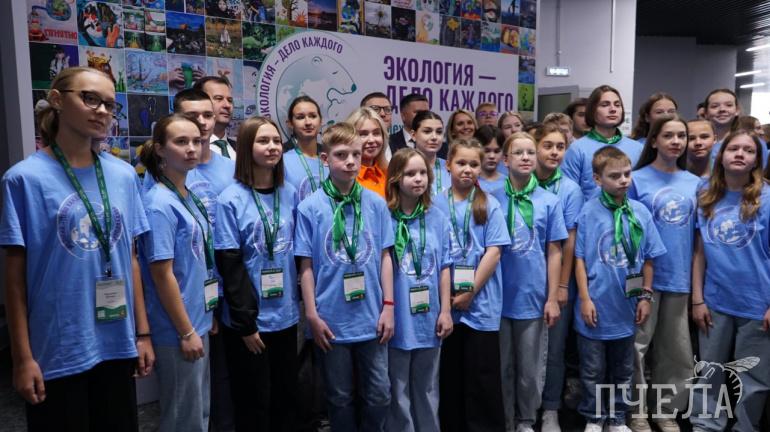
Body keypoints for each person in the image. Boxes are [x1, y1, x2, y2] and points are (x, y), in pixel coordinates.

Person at [1, 67, 150, 432]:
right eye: (90, 98)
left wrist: (143, 334)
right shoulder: (24, 179)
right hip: (59, 346)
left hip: (117, 341)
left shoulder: (123, 175)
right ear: (57, 100)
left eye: (110, 105)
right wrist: (21, 358)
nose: (102, 111)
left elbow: (130, 259)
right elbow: (15, 279)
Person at [295, 122, 395, 431]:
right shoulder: (310, 207)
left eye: (355, 154)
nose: (350, 161)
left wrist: (389, 306)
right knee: (339, 397)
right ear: (325, 159)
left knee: (379, 394)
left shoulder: (376, 203)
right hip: (330, 320)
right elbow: (306, 266)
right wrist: (311, 314)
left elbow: (385, 257)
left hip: (371, 317)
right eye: (341, 155)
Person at [214, 116, 300, 431]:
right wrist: (246, 323)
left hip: (286, 317)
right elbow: (230, 265)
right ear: (247, 147)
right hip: (249, 322)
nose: (272, 147)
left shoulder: (290, 193)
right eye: (263, 141)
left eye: (276, 140)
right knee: (253, 403)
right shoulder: (230, 199)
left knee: (285, 399)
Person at [573, 146, 666, 432]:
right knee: (592, 369)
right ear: (597, 179)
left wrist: (646, 296)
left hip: (626, 308)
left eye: (627, 174)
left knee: (624, 369)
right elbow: (579, 259)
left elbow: (648, 258)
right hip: (595, 305)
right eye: (614, 176)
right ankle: (594, 417)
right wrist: (585, 299)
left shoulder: (640, 212)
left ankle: (617, 417)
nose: (623, 180)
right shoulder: (588, 212)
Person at [690, 130, 770, 432]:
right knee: (709, 372)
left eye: (748, 151)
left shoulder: (768, 198)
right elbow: (699, 252)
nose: (740, 154)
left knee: (754, 379)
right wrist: (697, 299)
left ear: (757, 160)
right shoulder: (705, 194)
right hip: (715, 301)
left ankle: (745, 427)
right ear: (720, 155)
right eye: (733, 148)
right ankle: (705, 425)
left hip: (758, 303)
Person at [139, 114, 214, 432]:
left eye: (196, 141)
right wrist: (185, 332)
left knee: (199, 411)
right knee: (183, 418)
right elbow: (162, 274)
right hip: (177, 329)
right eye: (181, 142)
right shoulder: (159, 203)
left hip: (197, 319)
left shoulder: (187, 195)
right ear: (160, 149)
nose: (191, 148)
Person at [627, 115, 699, 432]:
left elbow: (698, 238)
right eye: (668, 135)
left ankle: (665, 410)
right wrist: (633, 283)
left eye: (681, 136)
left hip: (679, 277)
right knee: (636, 348)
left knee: (676, 352)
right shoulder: (636, 180)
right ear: (653, 140)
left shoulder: (695, 183)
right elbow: (625, 234)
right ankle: (636, 411)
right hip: (642, 278)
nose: (676, 141)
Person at [492, 132, 567, 432]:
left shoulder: (549, 201)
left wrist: (552, 296)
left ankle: (526, 420)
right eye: (518, 153)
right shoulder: (491, 198)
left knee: (530, 368)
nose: (525, 158)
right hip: (497, 298)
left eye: (530, 153)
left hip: (532, 296)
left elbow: (554, 250)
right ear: (505, 160)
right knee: (502, 366)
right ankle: (506, 420)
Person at [434, 139, 509, 432]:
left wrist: (469, 291)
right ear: (448, 165)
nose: (467, 169)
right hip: (446, 304)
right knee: (450, 376)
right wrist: (452, 298)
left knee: (482, 377)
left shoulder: (489, 204)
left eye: (473, 164)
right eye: (461, 163)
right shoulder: (436, 203)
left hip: (481, 303)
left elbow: (494, 252)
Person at [386, 148, 454, 432]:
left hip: (429, 316)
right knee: (397, 388)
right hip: (398, 318)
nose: (418, 179)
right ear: (395, 178)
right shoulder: (384, 216)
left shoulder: (437, 217)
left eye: (423, 173)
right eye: (410, 173)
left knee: (427, 387)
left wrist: (446, 311)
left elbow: (445, 266)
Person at [533, 124, 585, 432]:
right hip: (527, 278)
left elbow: (570, 241)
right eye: (548, 146)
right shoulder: (519, 181)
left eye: (560, 147)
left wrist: (563, 285)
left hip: (558, 280)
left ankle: (550, 408)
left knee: (553, 349)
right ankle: (524, 408)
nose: (554, 152)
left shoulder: (569, 189)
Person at [562, 85, 644, 200]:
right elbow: (567, 195)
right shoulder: (577, 149)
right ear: (592, 111)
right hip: (590, 210)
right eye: (605, 105)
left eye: (617, 105)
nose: (613, 109)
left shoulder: (637, 148)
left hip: (631, 210)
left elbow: (643, 190)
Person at [704, 89, 768, 167]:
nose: (722, 109)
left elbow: (762, 172)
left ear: (737, 110)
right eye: (715, 106)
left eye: (729, 105)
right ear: (706, 113)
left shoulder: (754, 142)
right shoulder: (699, 142)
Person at [283, 96, 327, 201]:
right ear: (290, 124)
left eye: (313, 116)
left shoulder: (331, 155)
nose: (308, 122)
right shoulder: (280, 156)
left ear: (320, 121)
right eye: (300, 117)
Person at [348, 107, 389, 198]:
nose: (371, 140)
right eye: (363, 134)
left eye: (376, 133)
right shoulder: (345, 177)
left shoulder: (389, 173)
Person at [194, 76, 236, 160]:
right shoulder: (189, 150)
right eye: (219, 99)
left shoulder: (243, 150)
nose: (227, 105)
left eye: (230, 100)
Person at [412, 111, 450, 196]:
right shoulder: (402, 167)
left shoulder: (450, 168)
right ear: (413, 135)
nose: (434, 137)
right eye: (427, 131)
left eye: (439, 132)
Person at [476, 125, 507, 191]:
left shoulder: (509, 184)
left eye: (497, 151)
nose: (492, 156)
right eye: (486, 151)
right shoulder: (469, 182)